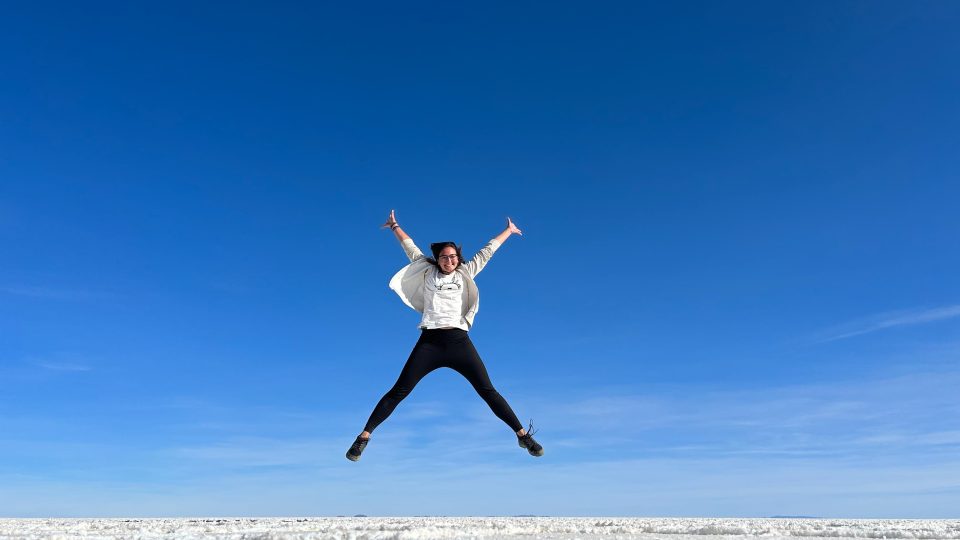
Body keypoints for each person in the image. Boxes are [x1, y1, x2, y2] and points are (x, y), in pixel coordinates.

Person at [346, 210, 543, 461]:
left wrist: (509, 230)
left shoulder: (466, 272)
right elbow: (411, 248)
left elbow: (487, 251)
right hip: (430, 342)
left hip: (459, 342)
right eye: (444, 257)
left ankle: (523, 435)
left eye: (452, 257)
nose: (448, 260)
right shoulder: (427, 272)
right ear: (437, 259)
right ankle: (363, 437)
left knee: (487, 390)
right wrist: (395, 227)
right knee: (399, 390)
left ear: (458, 258)